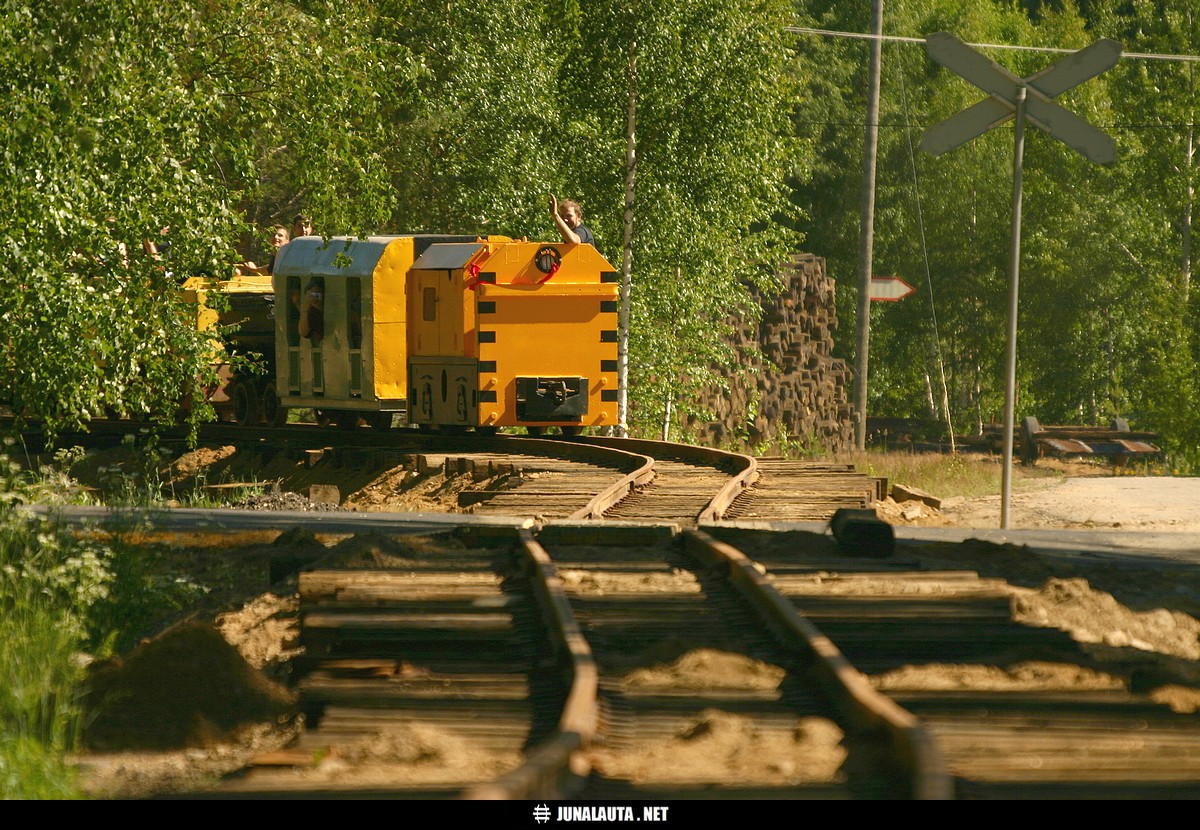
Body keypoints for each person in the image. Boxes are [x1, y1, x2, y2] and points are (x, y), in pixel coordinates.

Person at [297, 276, 325, 344]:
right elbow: (304, 333)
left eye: (317, 294)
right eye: (311, 295)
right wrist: (305, 310)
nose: (314, 298)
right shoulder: (311, 312)